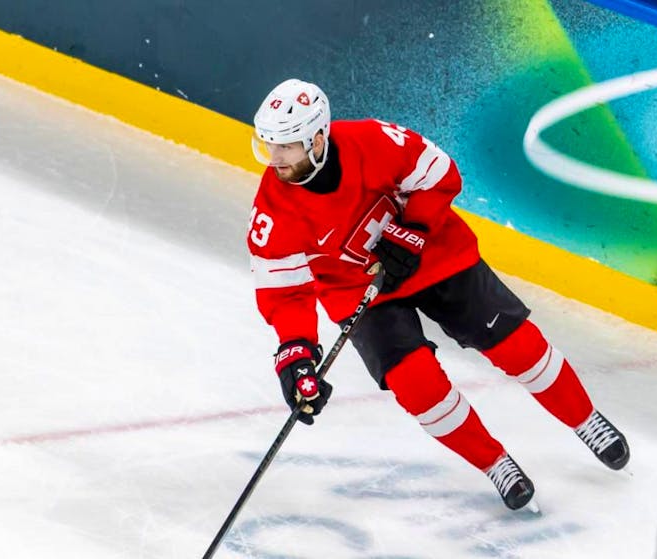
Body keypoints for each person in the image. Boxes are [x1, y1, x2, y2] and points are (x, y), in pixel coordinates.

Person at [246, 78, 630, 511]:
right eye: (269, 145)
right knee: (417, 385)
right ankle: (494, 463)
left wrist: (413, 231)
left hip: (433, 254)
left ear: (318, 139)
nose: (274, 159)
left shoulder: (373, 140)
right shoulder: (272, 210)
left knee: (518, 346)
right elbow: (285, 294)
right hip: (360, 292)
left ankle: (585, 420)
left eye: (287, 146)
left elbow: (440, 174)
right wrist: (295, 355)